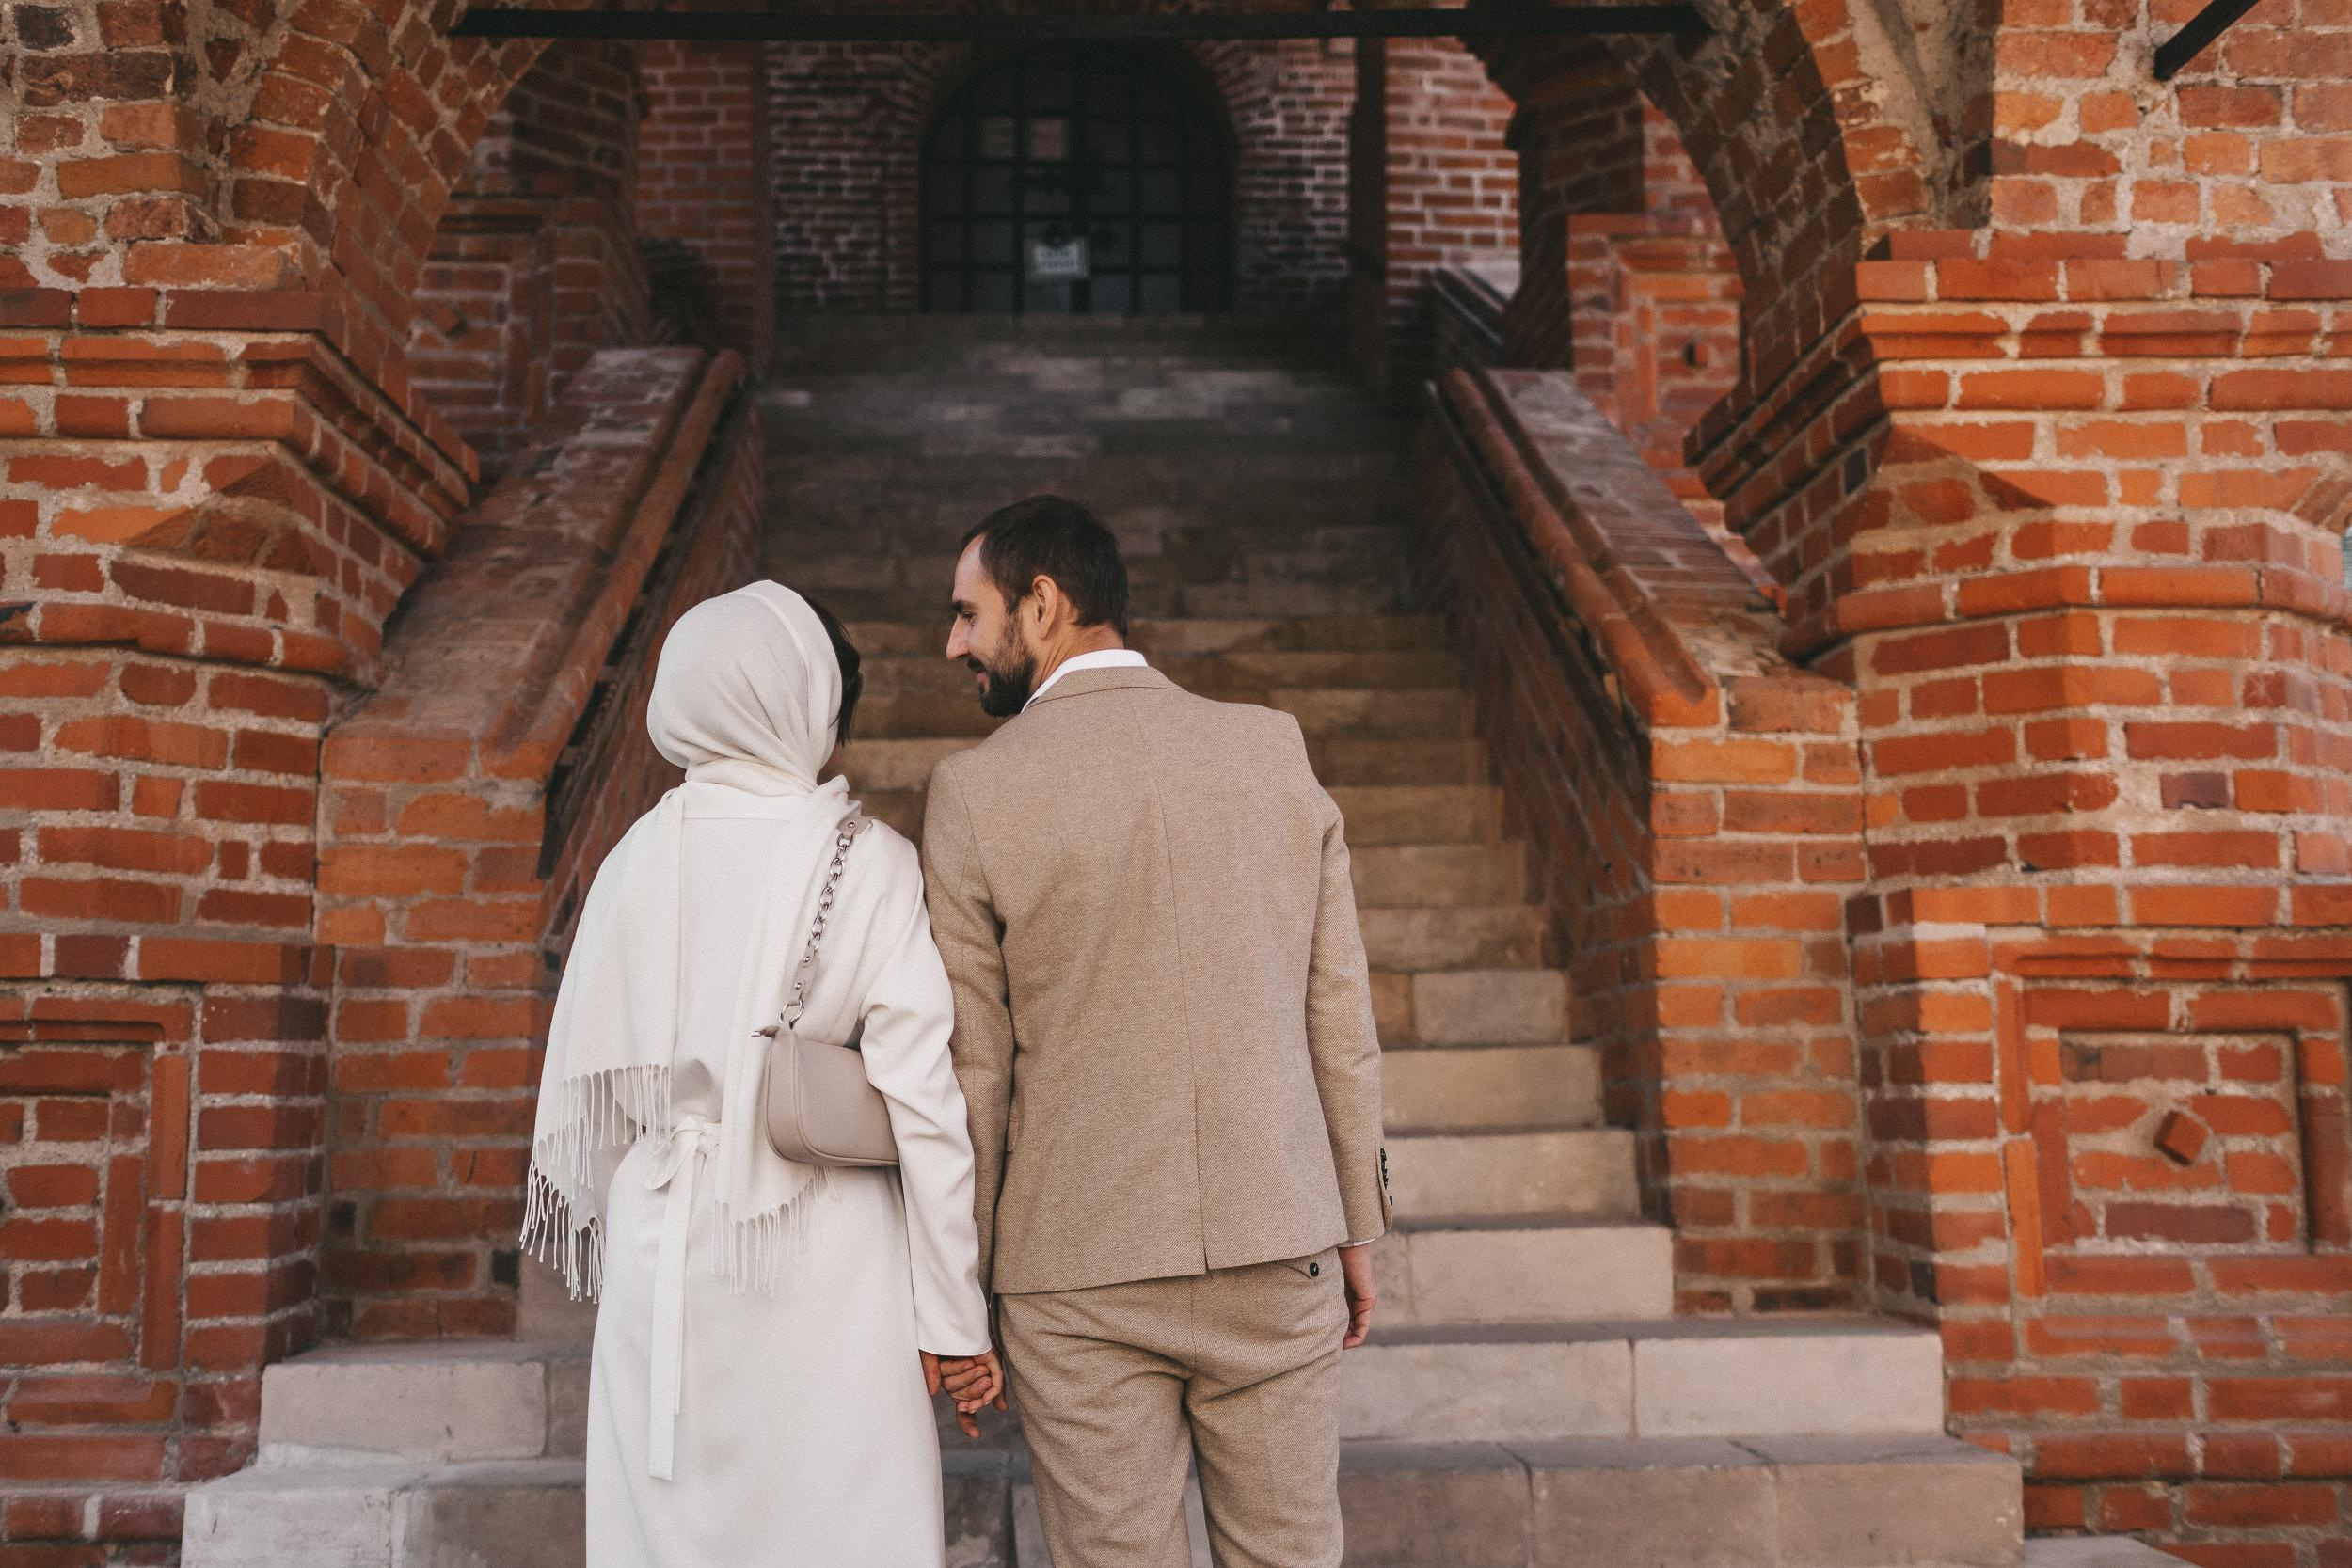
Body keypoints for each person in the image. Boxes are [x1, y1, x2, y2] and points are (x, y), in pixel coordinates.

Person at [922, 497, 1392, 1568]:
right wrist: (1357, 1220)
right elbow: (1339, 1015)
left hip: (1073, 1268)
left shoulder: (972, 790)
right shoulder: (1272, 749)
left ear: (1042, 602)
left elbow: (975, 1072)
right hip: (1279, 1239)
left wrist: (962, 1292)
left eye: (967, 611)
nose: (953, 641)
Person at [520, 581, 1001, 1568]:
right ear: (807, 704)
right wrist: (954, 1318)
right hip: (830, 1270)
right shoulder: (869, 860)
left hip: (664, 1253)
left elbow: (604, 1100)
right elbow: (924, 1102)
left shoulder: (632, 855)